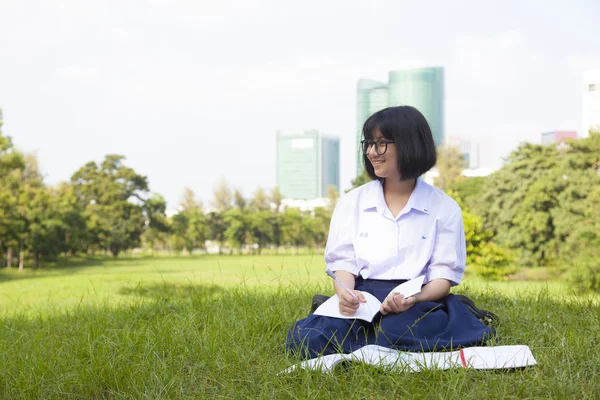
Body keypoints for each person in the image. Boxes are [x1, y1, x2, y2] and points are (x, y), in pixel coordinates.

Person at [285, 105, 495, 359]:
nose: (373, 152)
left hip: (417, 298)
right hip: (363, 296)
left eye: (382, 143)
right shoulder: (352, 203)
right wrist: (345, 293)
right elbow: (343, 263)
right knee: (310, 340)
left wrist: (413, 298)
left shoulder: (444, 208)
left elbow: (443, 278)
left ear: (410, 145)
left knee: (398, 333)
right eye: (369, 144)